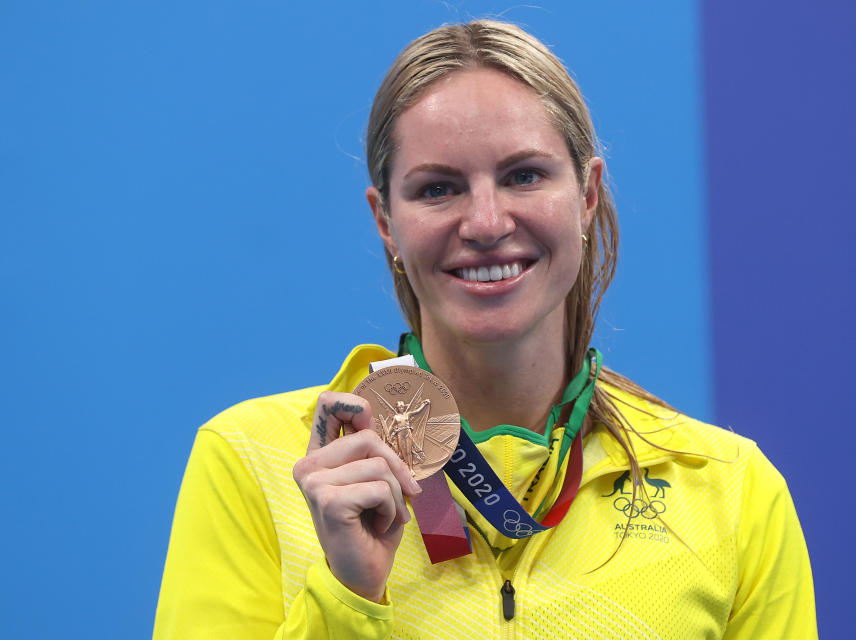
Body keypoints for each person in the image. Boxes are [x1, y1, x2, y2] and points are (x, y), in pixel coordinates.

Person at [154, 20, 817, 639]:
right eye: (438, 189)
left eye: (523, 175)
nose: (486, 222)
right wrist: (346, 596)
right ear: (386, 222)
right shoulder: (257, 464)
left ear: (586, 197)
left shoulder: (732, 493)